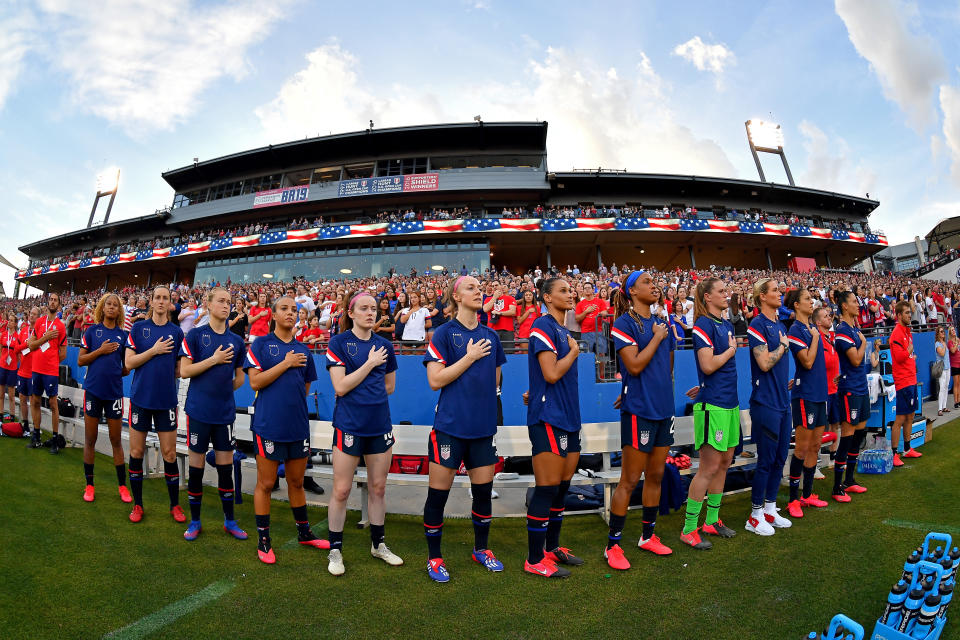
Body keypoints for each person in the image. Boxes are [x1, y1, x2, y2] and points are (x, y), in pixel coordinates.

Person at [422, 275, 507, 583]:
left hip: (482, 430)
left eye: (479, 288)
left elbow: (496, 381)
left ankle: (481, 550)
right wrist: (469, 358)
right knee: (438, 497)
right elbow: (435, 380)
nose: (478, 291)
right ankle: (434, 558)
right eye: (471, 287)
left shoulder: (492, 336)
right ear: (456, 296)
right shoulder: (444, 333)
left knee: (483, 495)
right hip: (449, 428)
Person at [325, 291, 403, 576]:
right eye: (365, 308)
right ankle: (335, 550)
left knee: (378, 488)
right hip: (349, 425)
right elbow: (340, 387)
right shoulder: (339, 343)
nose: (371, 312)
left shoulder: (385, 345)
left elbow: (390, 386)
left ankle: (378, 545)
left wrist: (368, 394)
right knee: (342, 489)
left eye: (373, 308)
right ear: (352, 313)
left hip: (379, 425)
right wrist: (369, 365)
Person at [245, 296, 328, 564]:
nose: (291, 313)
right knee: (267, 483)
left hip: (297, 427)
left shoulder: (303, 350)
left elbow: (303, 390)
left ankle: (304, 533)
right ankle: (264, 540)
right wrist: (285, 363)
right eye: (285, 309)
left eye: (295, 310)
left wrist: (292, 362)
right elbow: (255, 383)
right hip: (268, 425)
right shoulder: (261, 344)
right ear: (273, 314)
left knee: (296, 482)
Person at [605, 270, 676, 570]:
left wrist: (661, 335)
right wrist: (657, 337)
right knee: (630, 480)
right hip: (639, 410)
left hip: (663, 408)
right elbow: (633, 366)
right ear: (632, 291)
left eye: (654, 281)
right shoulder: (623, 323)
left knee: (656, 476)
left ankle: (648, 536)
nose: (654, 285)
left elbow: (666, 369)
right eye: (646, 282)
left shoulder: (663, 324)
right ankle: (613, 546)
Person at [178, 287, 248, 542]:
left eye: (229, 302)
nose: (226, 305)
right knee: (196, 469)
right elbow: (184, 370)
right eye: (220, 300)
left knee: (225, 468)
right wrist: (214, 360)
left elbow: (240, 377)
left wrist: (223, 389)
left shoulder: (237, 341)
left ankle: (229, 521)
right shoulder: (196, 336)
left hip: (224, 413)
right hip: (198, 410)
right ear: (207, 305)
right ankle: (195, 521)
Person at [523, 277, 582, 579]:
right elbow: (551, 373)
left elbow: (542, 378)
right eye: (562, 290)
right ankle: (534, 558)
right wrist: (573, 353)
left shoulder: (564, 331)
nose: (570, 294)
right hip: (549, 419)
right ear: (546, 297)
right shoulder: (543, 326)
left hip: (569, 418)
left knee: (561, 490)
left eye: (570, 290)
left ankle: (551, 547)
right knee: (546, 490)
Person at [683, 277, 739, 550]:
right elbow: (707, 365)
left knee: (725, 462)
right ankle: (689, 528)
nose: (726, 295)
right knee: (708, 468)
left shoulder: (725, 324)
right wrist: (730, 350)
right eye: (721, 291)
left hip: (730, 403)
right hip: (713, 405)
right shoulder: (703, 324)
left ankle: (712, 520)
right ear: (707, 297)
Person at [124, 286, 185, 523]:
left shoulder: (177, 332)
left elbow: (180, 370)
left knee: (169, 454)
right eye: (157, 297)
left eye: (165, 298)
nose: (161, 301)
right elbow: (129, 363)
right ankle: (138, 505)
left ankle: (175, 506)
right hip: (141, 399)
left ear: (170, 303)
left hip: (166, 401)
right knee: (137, 452)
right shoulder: (139, 328)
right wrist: (154, 350)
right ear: (150, 302)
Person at [744, 279, 792, 535]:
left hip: (783, 403)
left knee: (780, 458)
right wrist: (783, 346)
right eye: (774, 290)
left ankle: (770, 509)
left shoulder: (780, 324)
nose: (779, 293)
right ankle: (754, 515)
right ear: (762, 296)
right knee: (766, 460)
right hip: (765, 404)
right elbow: (764, 363)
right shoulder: (757, 325)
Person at [78, 294, 131, 504]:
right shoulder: (91, 331)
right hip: (93, 392)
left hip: (114, 394)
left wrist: (116, 372)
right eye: (108, 304)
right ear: (102, 307)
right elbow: (81, 360)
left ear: (119, 311)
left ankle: (122, 487)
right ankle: (89, 485)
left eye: (115, 305)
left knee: (116, 441)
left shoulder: (123, 336)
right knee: (90, 440)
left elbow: (127, 367)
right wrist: (100, 351)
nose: (111, 307)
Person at [784, 288, 829, 519]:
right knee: (801, 448)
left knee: (815, 446)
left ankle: (808, 494)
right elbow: (808, 362)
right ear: (795, 305)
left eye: (811, 299)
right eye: (806, 299)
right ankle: (793, 500)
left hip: (820, 394)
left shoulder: (811, 329)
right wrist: (814, 338)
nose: (811, 302)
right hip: (805, 395)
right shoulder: (796, 330)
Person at [831, 289, 870, 502]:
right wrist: (863, 343)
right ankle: (837, 487)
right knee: (847, 436)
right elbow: (855, 360)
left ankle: (850, 480)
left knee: (859, 434)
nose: (858, 304)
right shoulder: (843, 330)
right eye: (854, 301)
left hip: (861, 386)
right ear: (844, 305)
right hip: (850, 390)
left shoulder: (854, 329)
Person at [27, 292, 67, 453]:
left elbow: (63, 353)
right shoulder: (39, 322)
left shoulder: (61, 326)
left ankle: (55, 439)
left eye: (55, 300)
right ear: (47, 302)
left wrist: (51, 362)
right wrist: (45, 338)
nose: (52, 302)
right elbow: (31, 345)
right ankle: (36, 435)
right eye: (50, 299)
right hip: (36, 368)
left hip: (50, 370)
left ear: (58, 305)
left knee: (53, 404)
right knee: (35, 401)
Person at [889, 301, 922, 467]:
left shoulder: (907, 331)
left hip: (911, 379)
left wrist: (911, 356)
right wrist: (909, 351)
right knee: (900, 418)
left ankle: (907, 449)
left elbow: (907, 355)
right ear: (899, 315)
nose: (910, 315)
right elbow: (900, 356)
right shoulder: (896, 334)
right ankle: (894, 453)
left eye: (910, 312)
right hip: (903, 381)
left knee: (910, 415)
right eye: (907, 313)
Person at [16, 306, 39, 438]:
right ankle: (25, 425)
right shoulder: (24, 330)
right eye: (31, 313)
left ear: (38, 317)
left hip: (33, 372)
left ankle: (35, 428)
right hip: (22, 371)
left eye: (35, 314)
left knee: (34, 401)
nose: (31, 316)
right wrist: (27, 344)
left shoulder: (40, 331)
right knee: (23, 399)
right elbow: (16, 349)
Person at [0, 312, 20, 418]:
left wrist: (13, 363)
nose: (9, 322)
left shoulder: (18, 336)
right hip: (2, 366)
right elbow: (1, 349)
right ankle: (0, 416)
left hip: (12, 368)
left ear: (16, 324)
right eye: (9, 320)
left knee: (11, 395)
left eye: (12, 321)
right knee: (1, 394)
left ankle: (12, 417)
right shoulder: (3, 334)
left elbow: (18, 354)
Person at [935, 326, 950, 417]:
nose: (943, 333)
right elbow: (942, 353)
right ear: (938, 334)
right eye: (941, 332)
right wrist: (944, 346)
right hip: (941, 368)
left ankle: (944, 406)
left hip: (948, 367)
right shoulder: (937, 344)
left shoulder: (944, 342)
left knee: (946, 386)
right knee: (941, 388)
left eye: (943, 331)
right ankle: (939, 409)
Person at [949, 326, 960, 410]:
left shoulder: (958, 339)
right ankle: (955, 402)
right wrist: (956, 343)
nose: (953, 331)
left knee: (959, 384)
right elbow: (953, 351)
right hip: (954, 365)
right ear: (950, 332)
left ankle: (959, 400)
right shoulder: (950, 342)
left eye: (954, 330)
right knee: (955, 384)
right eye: (952, 330)